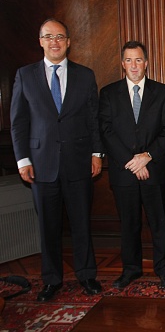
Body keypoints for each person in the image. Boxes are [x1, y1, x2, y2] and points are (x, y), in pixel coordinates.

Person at [10, 18, 104, 301]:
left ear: (69, 42)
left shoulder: (85, 75)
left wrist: (96, 153)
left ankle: (87, 275)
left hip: (79, 163)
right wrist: (22, 160)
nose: (54, 42)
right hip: (40, 165)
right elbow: (18, 123)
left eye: (60, 36)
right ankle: (51, 280)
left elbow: (93, 119)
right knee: (48, 227)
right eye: (48, 36)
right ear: (40, 41)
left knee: (81, 224)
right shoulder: (25, 75)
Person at [99, 41, 165, 289]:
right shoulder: (109, 93)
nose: (134, 65)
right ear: (123, 64)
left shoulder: (163, 92)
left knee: (160, 223)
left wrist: (147, 156)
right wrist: (132, 162)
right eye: (129, 60)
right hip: (124, 173)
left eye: (139, 60)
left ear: (146, 63)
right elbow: (106, 131)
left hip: (155, 169)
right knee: (129, 224)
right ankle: (131, 269)